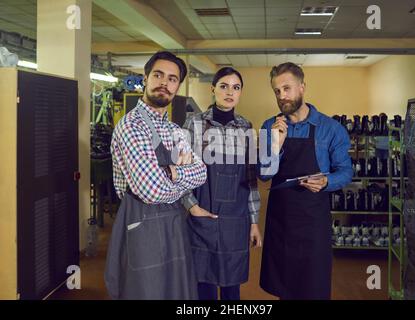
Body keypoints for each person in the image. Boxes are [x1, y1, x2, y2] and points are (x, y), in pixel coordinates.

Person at [105, 51, 207, 300]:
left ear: (177, 86)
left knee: (176, 291)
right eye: (158, 75)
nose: (165, 83)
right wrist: (182, 177)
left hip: (173, 226)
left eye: (172, 79)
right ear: (146, 78)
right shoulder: (131, 126)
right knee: (146, 292)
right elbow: (150, 191)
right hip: (142, 227)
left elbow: (202, 172)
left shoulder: (174, 129)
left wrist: (170, 172)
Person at [258, 62, 353, 300]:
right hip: (281, 220)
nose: (282, 96)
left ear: (302, 87)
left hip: (313, 221)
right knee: (284, 288)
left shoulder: (331, 129)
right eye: (277, 91)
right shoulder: (269, 126)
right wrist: (276, 144)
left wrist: (325, 181)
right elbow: (263, 173)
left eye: (287, 88)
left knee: (313, 286)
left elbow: (345, 171)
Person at [181, 67, 263, 300]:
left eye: (236, 88)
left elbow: (250, 178)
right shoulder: (194, 124)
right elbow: (182, 172)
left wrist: (254, 221)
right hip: (201, 215)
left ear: (240, 93)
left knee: (231, 283)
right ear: (213, 89)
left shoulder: (246, 127)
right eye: (224, 86)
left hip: (235, 220)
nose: (230, 92)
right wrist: (192, 206)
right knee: (203, 281)